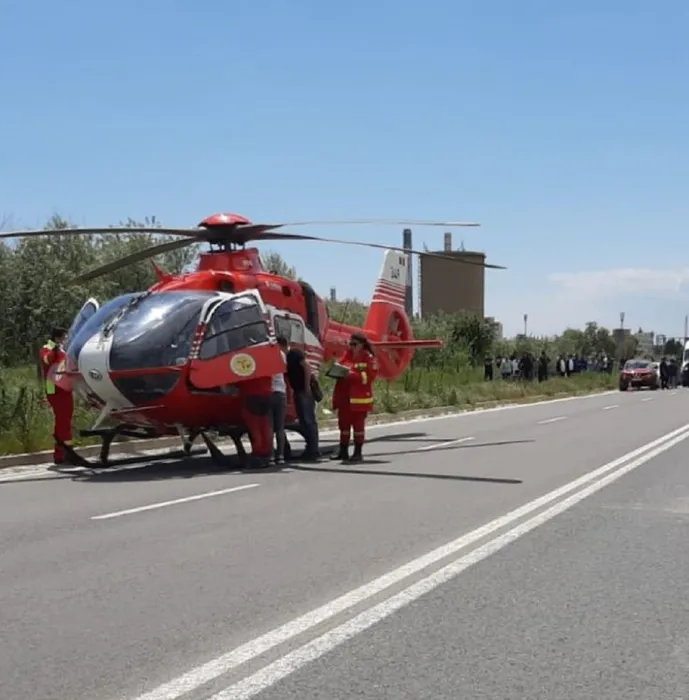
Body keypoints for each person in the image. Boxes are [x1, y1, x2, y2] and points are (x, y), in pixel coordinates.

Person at [330, 331, 378, 463]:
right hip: (344, 397)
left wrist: (351, 375)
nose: (351, 346)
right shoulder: (347, 354)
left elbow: (369, 378)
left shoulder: (368, 358)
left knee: (358, 428)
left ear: (362, 344)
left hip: (359, 399)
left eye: (354, 344)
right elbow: (341, 365)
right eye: (350, 344)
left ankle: (358, 452)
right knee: (343, 426)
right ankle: (343, 451)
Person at [40, 327, 75, 465]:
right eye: (64, 338)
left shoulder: (64, 349)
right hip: (54, 390)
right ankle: (63, 453)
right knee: (63, 421)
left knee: (65, 420)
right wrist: (56, 350)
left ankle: (63, 451)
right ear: (57, 338)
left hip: (64, 389)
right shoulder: (48, 348)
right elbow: (47, 360)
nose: (66, 340)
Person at [283, 337, 321, 460]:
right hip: (298, 391)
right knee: (304, 420)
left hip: (304, 391)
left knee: (308, 420)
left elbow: (307, 367)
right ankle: (310, 448)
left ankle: (313, 450)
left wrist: (307, 387)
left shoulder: (294, 353)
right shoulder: (285, 358)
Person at [269, 338, 288, 464]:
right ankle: (280, 455)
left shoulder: (263, 355)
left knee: (269, 427)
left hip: (269, 392)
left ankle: (270, 455)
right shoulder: (281, 354)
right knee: (280, 427)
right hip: (281, 392)